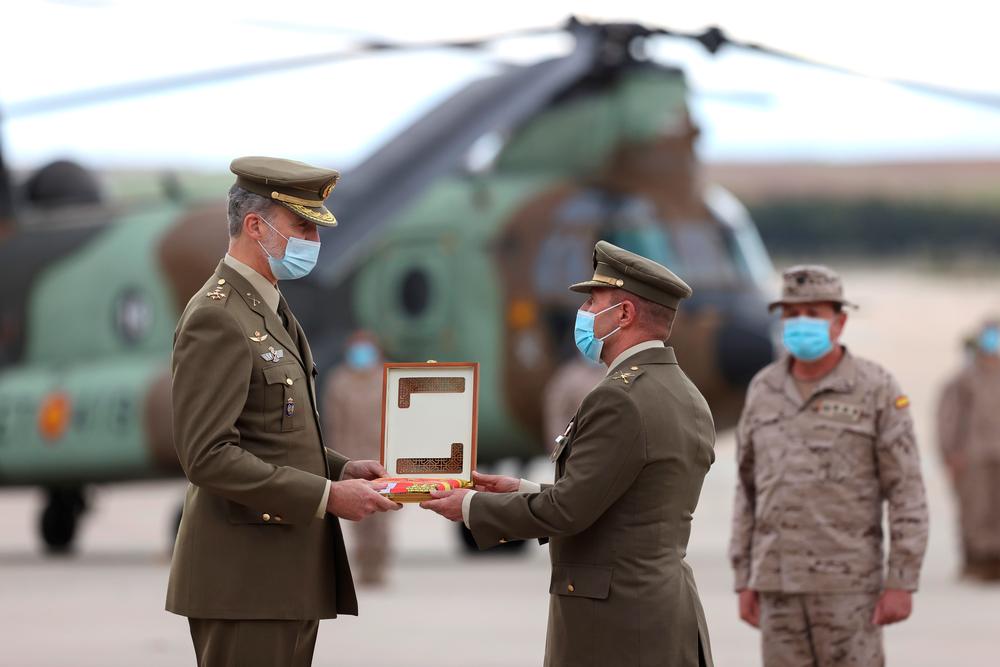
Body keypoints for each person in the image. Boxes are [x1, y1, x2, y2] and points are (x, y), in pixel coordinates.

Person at [422, 240, 716, 667]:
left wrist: (469, 506)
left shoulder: (620, 399)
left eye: (594, 302)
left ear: (625, 315)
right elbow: (618, 497)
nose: (584, 313)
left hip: (617, 625)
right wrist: (519, 490)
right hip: (660, 610)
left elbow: (569, 511)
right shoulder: (684, 393)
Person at [166, 156, 400, 666]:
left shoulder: (268, 305)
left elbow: (274, 429)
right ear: (255, 226)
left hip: (282, 575)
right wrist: (327, 495)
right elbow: (207, 455)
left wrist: (340, 469)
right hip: (244, 580)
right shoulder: (217, 316)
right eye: (302, 227)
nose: (313, 242)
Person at [729, 264, 929, 667]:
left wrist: (902, 580)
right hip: (778, 585)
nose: (800, 323)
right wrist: (744, 578)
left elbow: (906, 491)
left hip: (848, 589)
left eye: (813, 314)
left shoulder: (876, 389)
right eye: (791, 314)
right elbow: (747, 489)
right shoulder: (763, 388)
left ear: (839, 322)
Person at [322, 331, 395, 586]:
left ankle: (379, 564)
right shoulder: (339, 381)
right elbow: (334, 422)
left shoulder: (387, 379)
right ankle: (365, 566)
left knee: (383, 518)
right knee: (359, 516)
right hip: (351, 456)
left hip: (381, 458)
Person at [937, 318, 1000, 581]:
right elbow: (948, 418)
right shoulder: (963, 378)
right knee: (975, 509)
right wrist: (950, 453)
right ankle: (976, 563)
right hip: (974, 456)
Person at [542, 341, 604, 455]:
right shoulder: (567, 377)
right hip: (577, 449)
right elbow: (555, 416)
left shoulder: (615, 371)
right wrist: (562, 448)